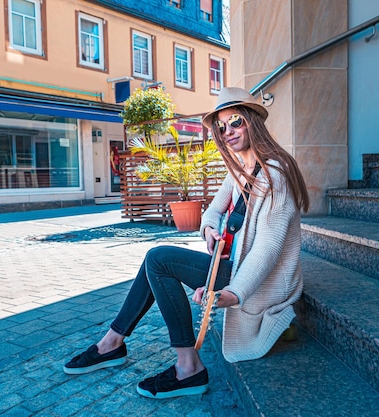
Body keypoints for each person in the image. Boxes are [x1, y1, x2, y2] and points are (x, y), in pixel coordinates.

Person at [63, 87, 310, 399]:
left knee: (158, 259)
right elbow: (214, 211)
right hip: (233, 263)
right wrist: (208, 231)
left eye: (234, 122)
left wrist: (234, 294)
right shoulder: (240, 169)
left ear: (252, 121)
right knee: (156, 262)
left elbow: (268, 247)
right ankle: (113, 343)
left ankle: (181, 365)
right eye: (221, 127)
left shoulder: (275, 174)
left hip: (258, 278)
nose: (227, 131)